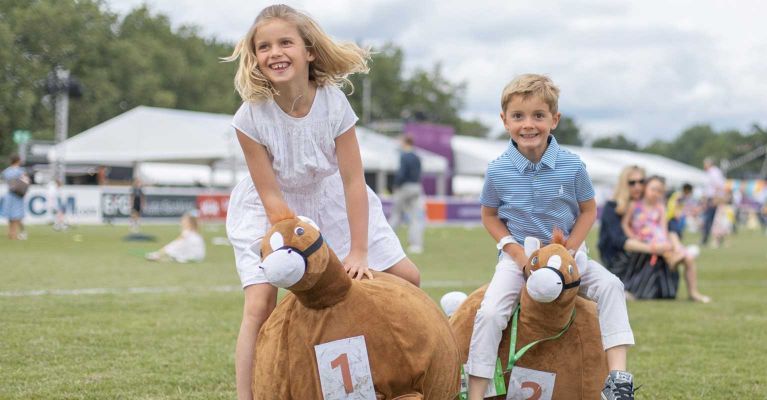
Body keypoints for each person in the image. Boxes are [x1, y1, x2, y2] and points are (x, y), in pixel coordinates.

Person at [222, 6, 421, 400]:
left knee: (407, 278)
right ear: (255, 57)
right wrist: (300, 243)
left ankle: (399, 373)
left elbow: (353, 181)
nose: (275, 52)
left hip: (332, 201)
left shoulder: (333, 103)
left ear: (309, 51)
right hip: (273, 212)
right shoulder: (249, 117)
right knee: (259, 304)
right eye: (264, 46)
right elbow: (271, 195)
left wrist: (359, 251)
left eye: (285, 42)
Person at [465, 74, 635, 400]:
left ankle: (617, 381)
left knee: (612, 286)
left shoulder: (573, 166)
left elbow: (588, 210)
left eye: (538, 115)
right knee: (490, 313)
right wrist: (516, 254)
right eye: (518, 116)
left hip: (568, 258)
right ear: (504, 120)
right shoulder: (497, 170)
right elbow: (489, 216)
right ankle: (476, 392)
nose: (528, 124)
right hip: (518, 259)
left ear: (554, 120)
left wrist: (569, 248)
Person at [624, 176, 710, 302]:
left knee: (688, 258)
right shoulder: (634, 205)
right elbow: (625, 224)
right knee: (666, 248)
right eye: (653, 189)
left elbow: (663, 228)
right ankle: (673, 259)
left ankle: (693, 292)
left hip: (658, 238)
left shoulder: (660, 207)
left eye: (659, 191)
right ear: (645, 188)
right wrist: (632, 236)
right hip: (644, 238)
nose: (655, 193)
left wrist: (666, 242)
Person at [388, 135, 425, 254]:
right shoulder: (417, 156)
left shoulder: (404, 156)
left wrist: (395, 185)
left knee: (396, 214)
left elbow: (401, 173)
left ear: (405, 142)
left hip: (405, 188)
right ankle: (416, 245)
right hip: (416, 187)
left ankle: (387, 242)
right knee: (415, 218)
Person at [2, 154, 29, 240]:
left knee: (10, 215)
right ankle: (14, 234)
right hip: (18, 195)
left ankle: (10, 232)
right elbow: (26, 181)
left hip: (9, 194)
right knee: (16, 215)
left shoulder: (6, 171)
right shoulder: (21, 171)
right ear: (18, 161)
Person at [700, 157, 726, 246]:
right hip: (712, 198)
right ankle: (713, 237)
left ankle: (710, 238)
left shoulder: (714, 172)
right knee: (711, 219)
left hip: (714, 198)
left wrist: (715, 199)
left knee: (711, 219)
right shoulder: (711, 172)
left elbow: (718, 186)